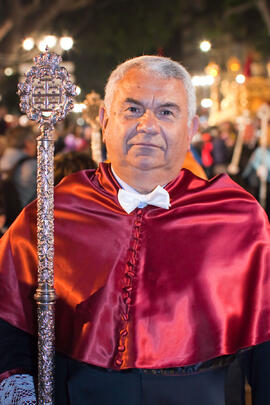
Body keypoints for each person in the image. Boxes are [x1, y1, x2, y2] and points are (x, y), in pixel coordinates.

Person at [0, 55, 269, 405]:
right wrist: (16, 386)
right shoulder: (53, 212)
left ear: (191, 128)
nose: (148, 125)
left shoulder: (238, 218)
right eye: (132, 109)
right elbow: (8, 323)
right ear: (105, 120)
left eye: (167, 112)